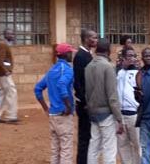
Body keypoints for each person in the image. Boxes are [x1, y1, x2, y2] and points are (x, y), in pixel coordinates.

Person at [34, 43, 78, 164]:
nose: (72, 55)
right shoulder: (67, 70)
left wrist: (45, 108)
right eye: (70, 52)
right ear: (65, 54)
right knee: (66, 150)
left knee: (55, 150)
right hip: (63, 115)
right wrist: (68, 106)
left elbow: (37, 89)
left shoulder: (51, 70)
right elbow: (62, 84)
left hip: (53, 115)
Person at [85, 38, 124, 164]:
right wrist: (119, 118)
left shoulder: (89, 66)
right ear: (109, 50)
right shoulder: (108, 67)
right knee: (109, 148)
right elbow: (112, 96)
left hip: (92, 112)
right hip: (106, 113)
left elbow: (87, 91)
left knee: (94, 146)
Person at [74, 29, 98, 164]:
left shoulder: (87, 55)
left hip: (86, 102)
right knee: (85, 136)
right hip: (84, 104)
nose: (96, 40)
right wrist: (85, 102)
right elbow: (79, 82)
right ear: (86, 39)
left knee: (88, 135)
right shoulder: (82, 56)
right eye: (94, 38)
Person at [116, 46, 141, 164]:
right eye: (129, 56)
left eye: (134, 56)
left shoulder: (138, 73)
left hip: (134, 114)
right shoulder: (119, 73)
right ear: (123, 58)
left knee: (137, 144)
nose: (132, 59)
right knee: (122, 144)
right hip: (120, 115)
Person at [0, 29, 18, 123]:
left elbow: (4, 60)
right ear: (5, 35)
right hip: (4, 74)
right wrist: (6, 71)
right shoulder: (3, 45)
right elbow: (0, 59)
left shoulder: (5, 44)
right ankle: (11, 116)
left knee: (3, 93)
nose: (12, 35)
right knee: (11, 91)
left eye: (12, 33)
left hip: (4, 73)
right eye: (10, 34)